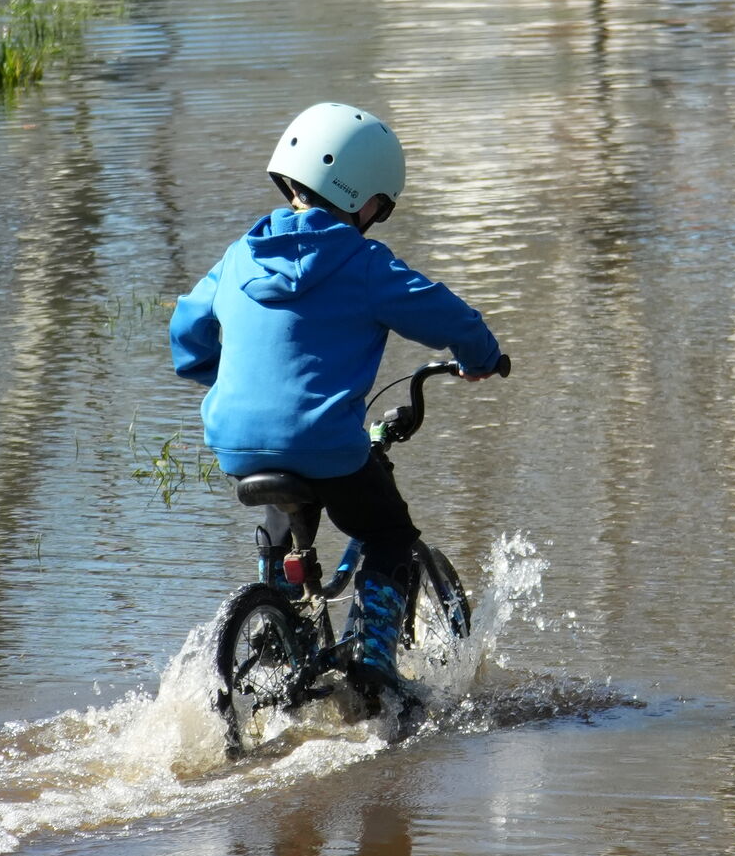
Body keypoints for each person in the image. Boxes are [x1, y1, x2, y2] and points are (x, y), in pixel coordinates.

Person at [169, 102, 508, 683]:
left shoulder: (238, 255)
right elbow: (447, 315)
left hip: (237, 444)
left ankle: (278, 629)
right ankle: (372, 667)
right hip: (325, 442)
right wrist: (481, 358)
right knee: (388, 534)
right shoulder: (363, 262)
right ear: (367, 198)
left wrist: (225, 377)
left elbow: (186, 337)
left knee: (284, 525)